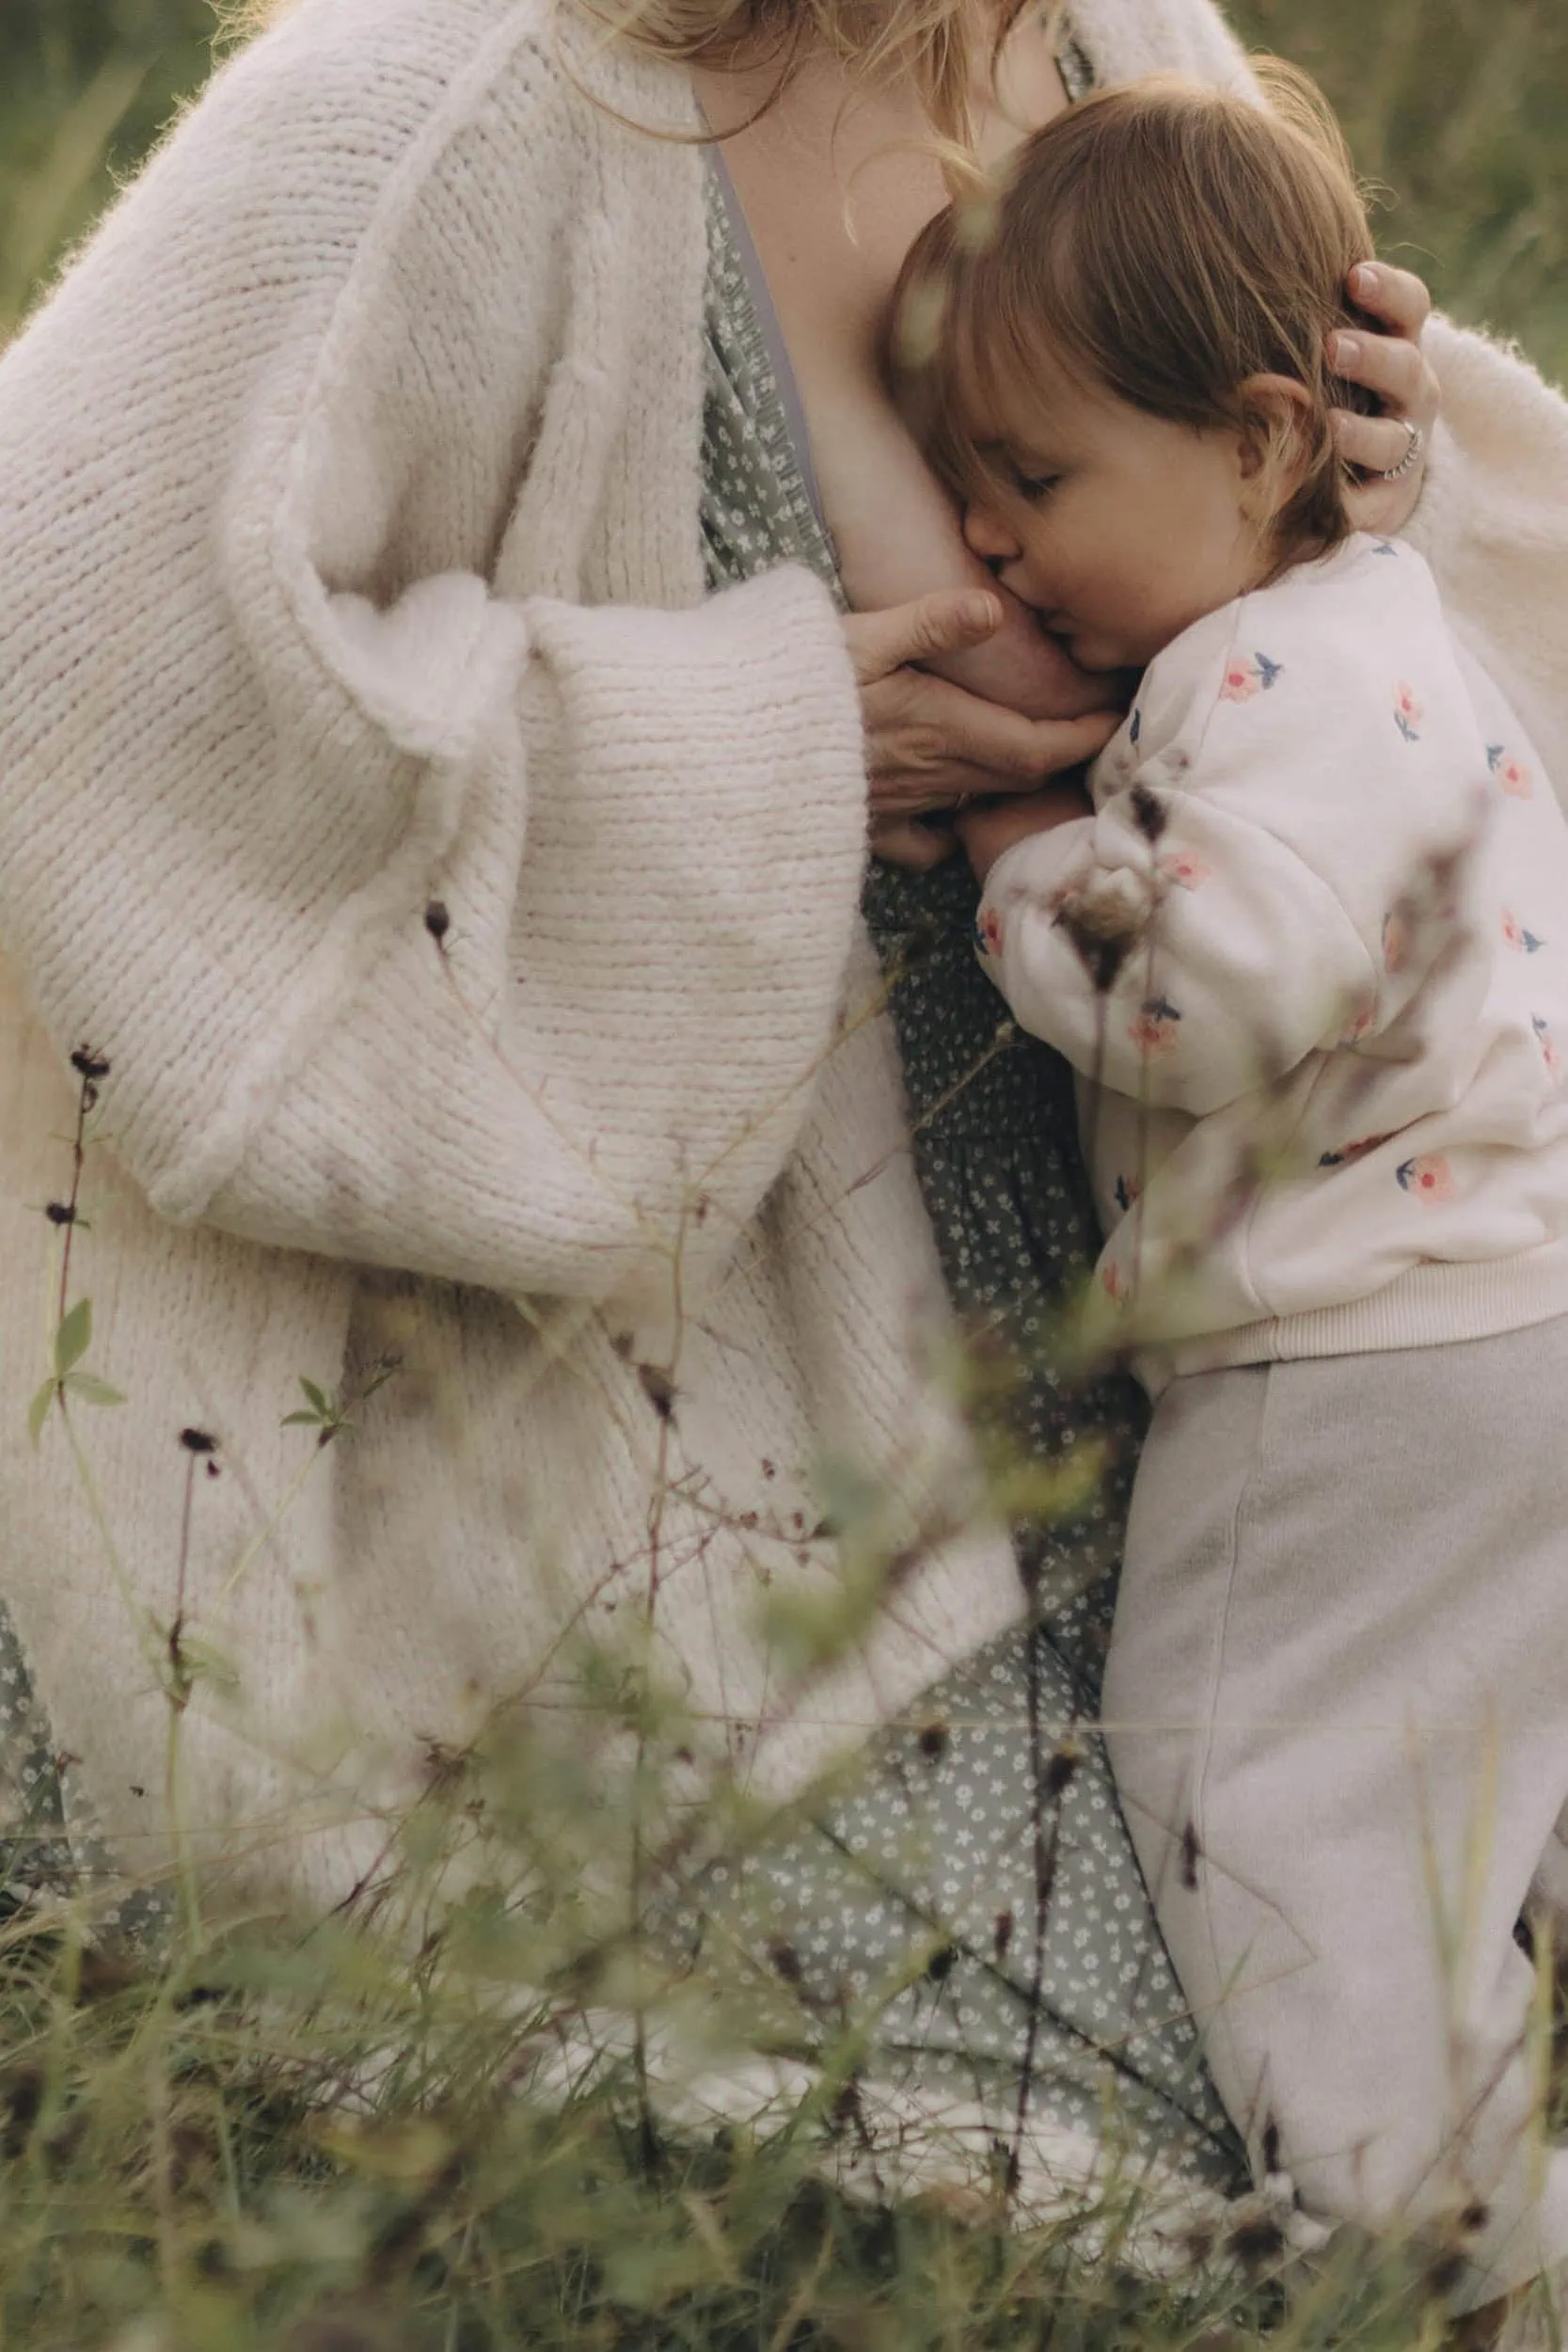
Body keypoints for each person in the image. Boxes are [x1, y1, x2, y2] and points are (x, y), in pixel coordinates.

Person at [0, 0, 1547, 2240]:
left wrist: (1375, 473)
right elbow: (66, 673)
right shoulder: (436, 106)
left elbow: (1343, 622)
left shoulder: (1108, 38)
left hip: (1278, 1380)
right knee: (1121, 2079)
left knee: (1333, 1896)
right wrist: (746, 749)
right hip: (732, 1448)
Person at [893, 70, 1568, 2326]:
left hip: (1344, 1359)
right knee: (1463, 1775)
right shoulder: (1388, 633)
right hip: (1501, 1308)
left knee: (1251, 1776)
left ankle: (1418, 2243)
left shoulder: (1258, 681)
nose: (989, 539)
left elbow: (1215, 995)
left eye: (1035, 478)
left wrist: (1022, 865)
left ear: (1266, 438)